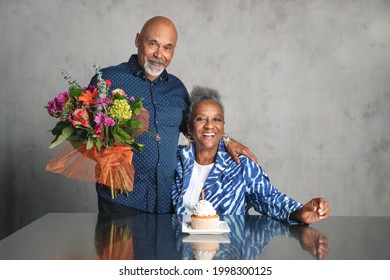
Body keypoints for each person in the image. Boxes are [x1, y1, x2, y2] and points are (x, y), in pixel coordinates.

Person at [89, 16, 257, 214]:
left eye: (168, 48)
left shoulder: (176, 88)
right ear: (137, 40)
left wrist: (227, 140)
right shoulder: (108, 80)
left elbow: (194, 130)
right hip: (122, 200)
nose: (159, 54)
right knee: (118, 246)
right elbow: (87, 133)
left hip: (167, 202)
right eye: (153, 44)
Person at [172, 86, 331, 224]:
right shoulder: (175, 160)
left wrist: (300, 213)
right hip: (178, 252)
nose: (209, 126)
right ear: (189, 126)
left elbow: (269, 199)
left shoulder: (240, 165)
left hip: (226, 252)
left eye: (216, 119)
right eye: (200, 119)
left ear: (223, 126)